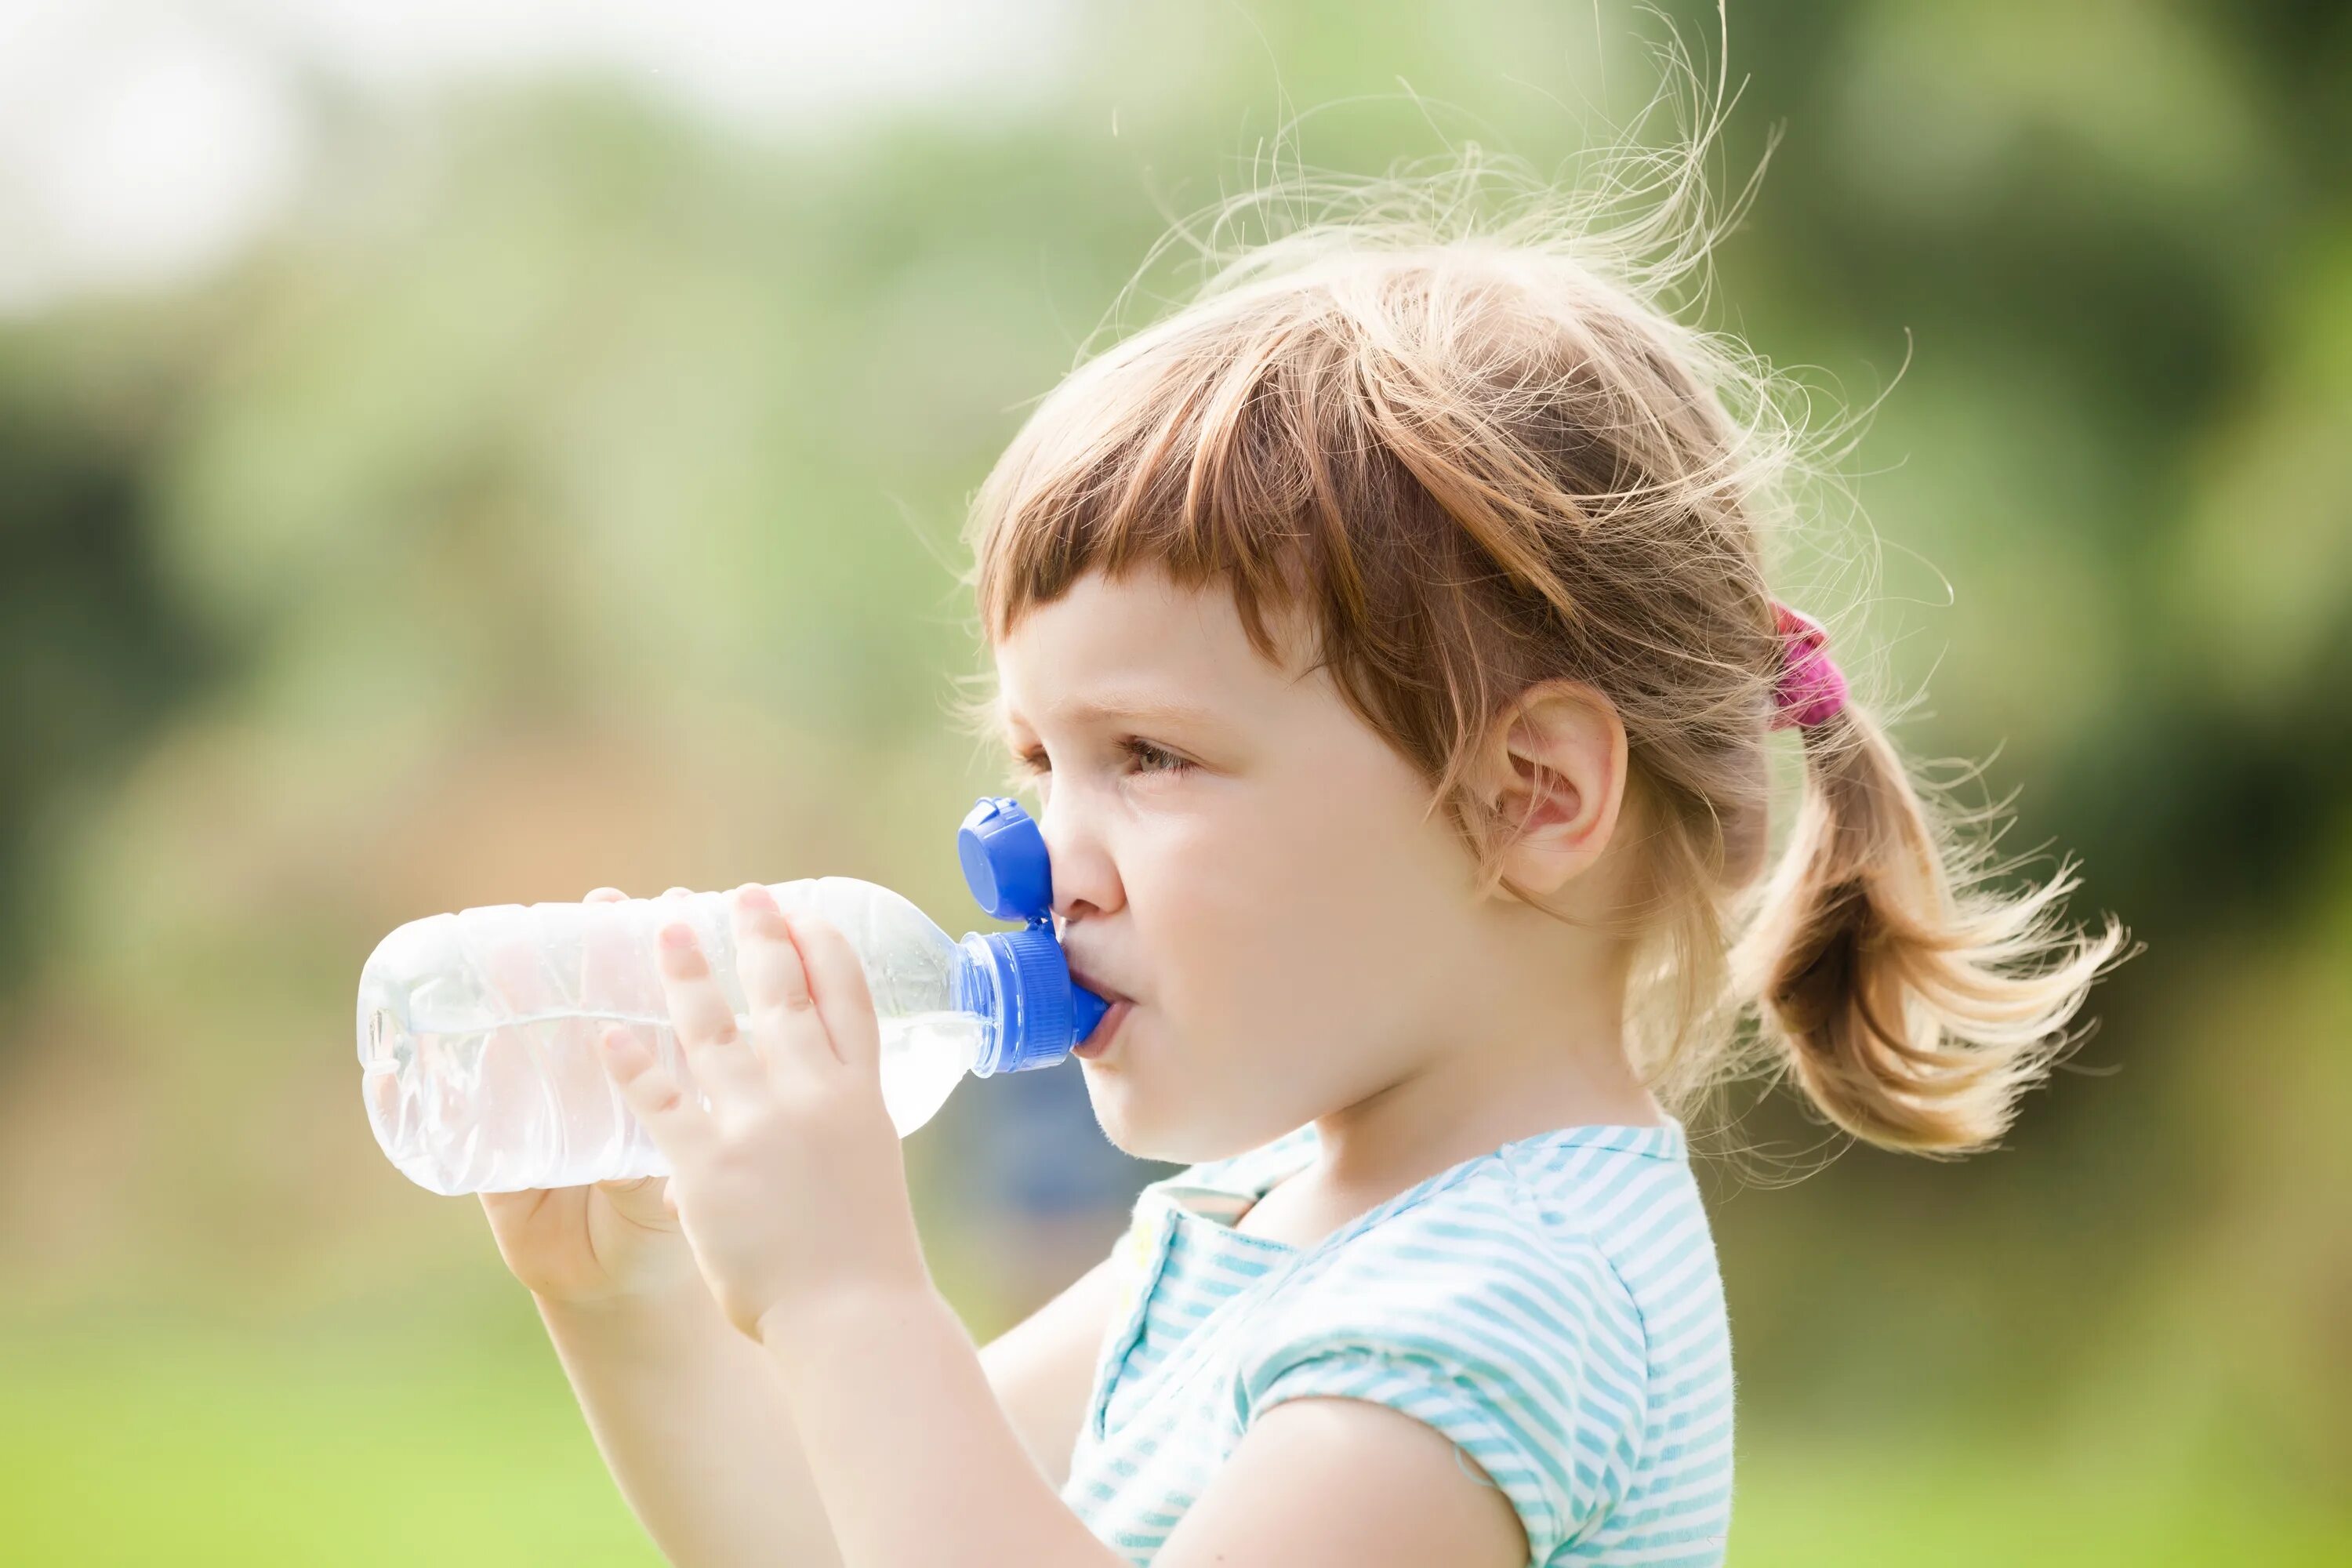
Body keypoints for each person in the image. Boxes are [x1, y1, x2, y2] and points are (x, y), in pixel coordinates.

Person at [477, 104, 2132, 1568]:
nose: (1052, 853)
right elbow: (858, 1533)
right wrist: (630, 1308)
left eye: (1152, 756)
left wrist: (851, 1304)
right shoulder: (1267, 1211)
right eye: (1041, 756)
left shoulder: (1508, 1311)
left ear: (1530, 796)